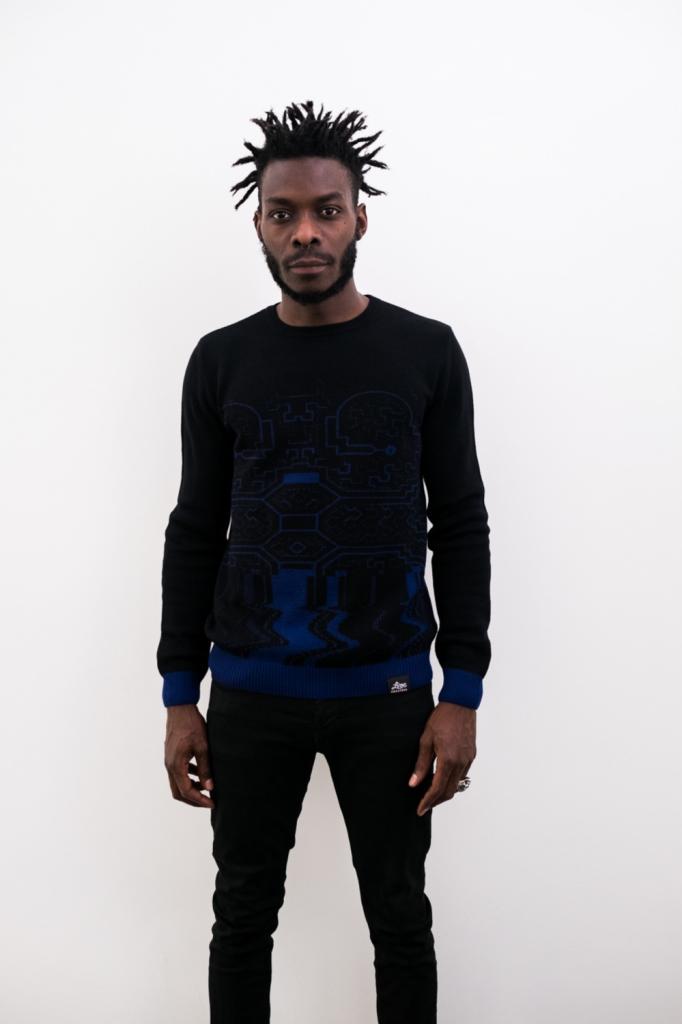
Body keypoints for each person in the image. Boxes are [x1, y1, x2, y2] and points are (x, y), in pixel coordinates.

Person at [157, 99, 492, 1023]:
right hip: (250, 692)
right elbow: (195, 529)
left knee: (400, 918)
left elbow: (461, 524)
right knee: (241, 917)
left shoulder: (426, 352)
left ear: (359, 219)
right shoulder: (220, 361)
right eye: (284, 213)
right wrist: (180, 693)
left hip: (388, 692)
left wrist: (461, 691)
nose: (305, 231)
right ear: (259, 225)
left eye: (326, 211)